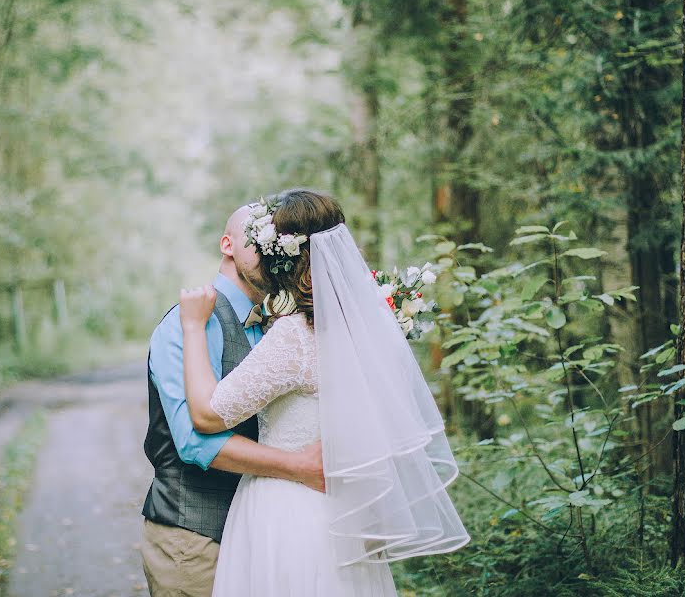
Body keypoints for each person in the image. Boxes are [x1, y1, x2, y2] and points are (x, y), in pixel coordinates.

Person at [179, 189, 470, 596]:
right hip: (345, 514)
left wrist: (193, 327)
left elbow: (208, 415)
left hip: (288, 515)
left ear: (283, 257)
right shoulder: (363, 329)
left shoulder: (295, 337)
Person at [141, 205, 325, 597]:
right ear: (227, 244)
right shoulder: (186, 323)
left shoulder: (281, 329)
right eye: (258, 240)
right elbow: (195, 441)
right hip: (195, 538)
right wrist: (298, 466)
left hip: (267, 535)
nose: (273, 252)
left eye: (280, 244)